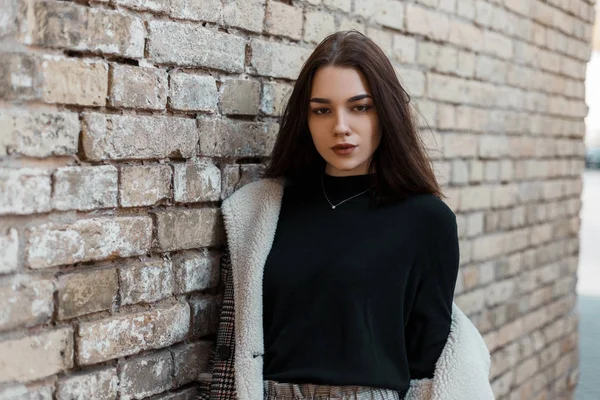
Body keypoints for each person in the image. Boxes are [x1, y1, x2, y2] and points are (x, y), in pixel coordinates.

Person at [200, 31, 494, 400]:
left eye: (360, 107)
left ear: (386, 111)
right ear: (305, 120)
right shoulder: (261, 212)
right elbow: (234, 343)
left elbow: (428, 362)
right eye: (322, 110)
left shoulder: (426, 219)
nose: (340, 126)